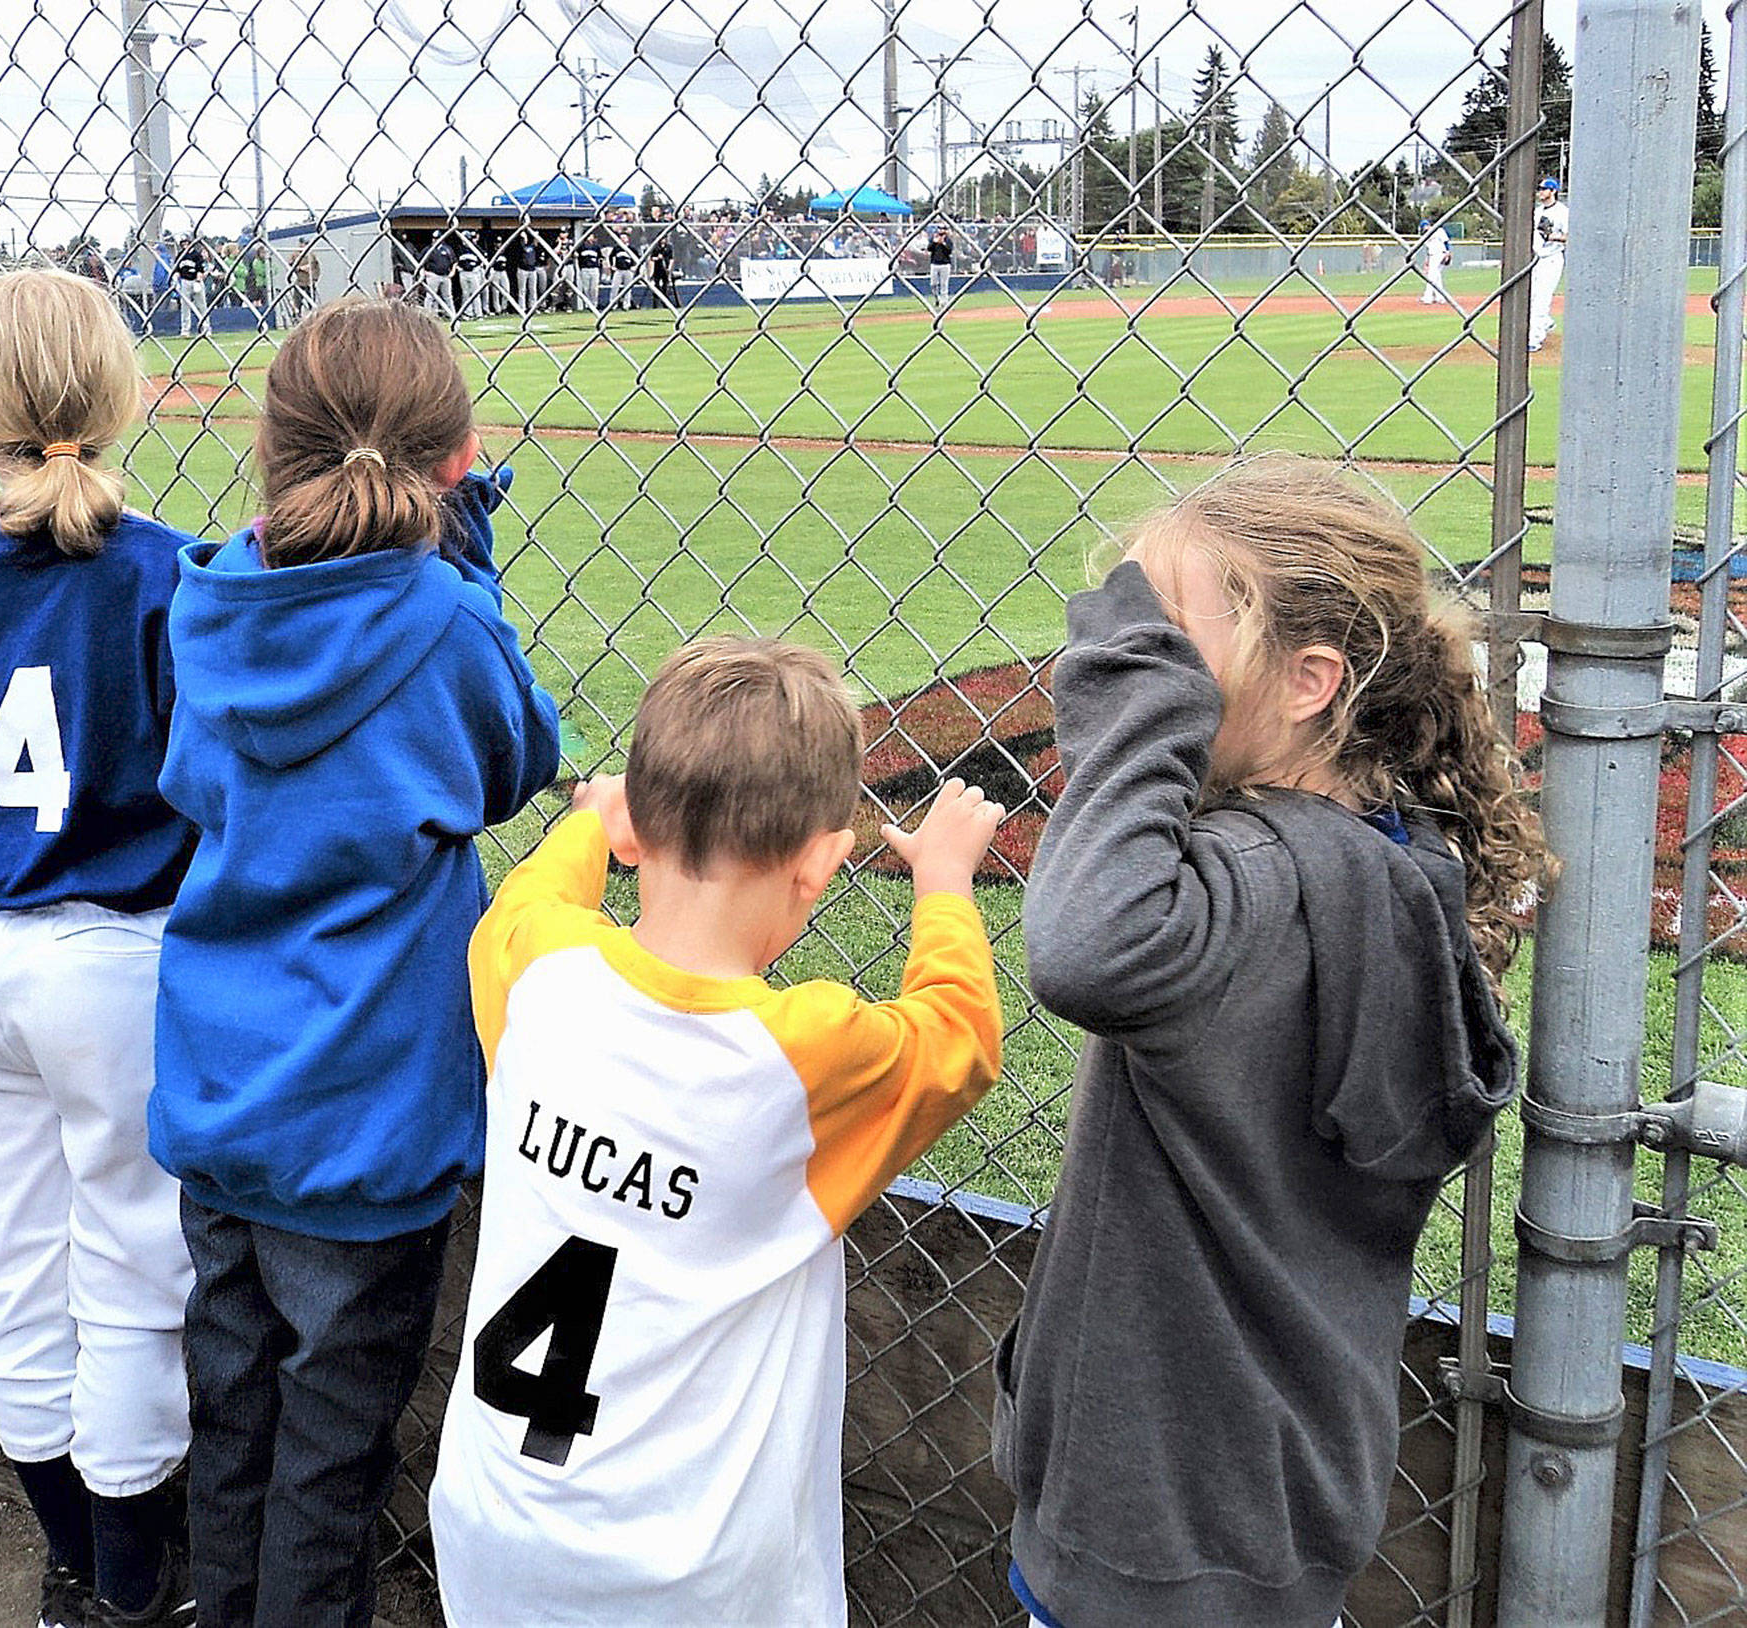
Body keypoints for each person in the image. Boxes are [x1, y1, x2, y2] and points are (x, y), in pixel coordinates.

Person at [994, 453, 1549, 1628]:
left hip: (1146, 1528)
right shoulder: (1386, 864)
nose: (1133, 663)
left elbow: (1081, 946)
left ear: (1307, 680)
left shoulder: (1244, 890)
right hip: (1270, 1494)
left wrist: (1124, 690)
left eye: (1165, 646)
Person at [428, 639, 1004, 1626]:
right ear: (823, 858)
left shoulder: (534, 967)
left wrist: (585, 831)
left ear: (640, 830)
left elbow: (533, 896)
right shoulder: (806, 1053)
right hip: (687, 1570)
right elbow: (958, 1037)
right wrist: (944, 883)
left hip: (492, 1517)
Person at [148, 296, 563, 1628]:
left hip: (220, 1094)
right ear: (453, 462)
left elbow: (192, 780)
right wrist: (469, 570)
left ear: (274, 452)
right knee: (328, 1465)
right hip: (364, 1125)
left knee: (233, 1427)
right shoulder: (440, 623)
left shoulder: (205, 602)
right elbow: (517, 762)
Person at [0, 267, 200, 1628]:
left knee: (16, 1272)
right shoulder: (168, 564)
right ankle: (139, 1590)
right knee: (134, 1276)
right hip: (119, 957)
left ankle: (71, 1571)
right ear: (119, 395)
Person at [1529, 176, 1569, 351]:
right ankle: (1545, 322)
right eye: (1539, 189)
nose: (1540, 192)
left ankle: (1534, 339)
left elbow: (1571, 237)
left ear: (1553, 191)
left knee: (1541, 300)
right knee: (1531, 298)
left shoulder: (1562, 212)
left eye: (1543, 189)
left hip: (1552, 260)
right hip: (1535, 259)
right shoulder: (1537, 212)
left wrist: (1552, 236)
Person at [1417, 217, 1459, 311]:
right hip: (1432, 255)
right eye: (1423, 226)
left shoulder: (1439, 230)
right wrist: (1427, 260)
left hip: (1440, 253)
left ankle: (1428, 297)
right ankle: (1440, 297)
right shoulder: (1425, 236)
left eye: (1426, 225)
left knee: (1431, 275)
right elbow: (1429, 249)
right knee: (1436, 275)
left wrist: (1448, 252)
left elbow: (1446, 242)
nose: (1425, 228)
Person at [172, 235, 211, 336]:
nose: (185, 246)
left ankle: (206, 328)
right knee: (185, 307)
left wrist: (198, 281)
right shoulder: (180, 255)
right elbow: (177, 270)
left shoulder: (196, 255)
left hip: (195, 280)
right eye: (183, 244)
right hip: (185, 281)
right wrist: (176, 279)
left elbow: (200, 269)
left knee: (201, 306)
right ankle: (185, 330)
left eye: (187, 243)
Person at [647, 225, 677, 309]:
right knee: (656, 284)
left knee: (665, 285)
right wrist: (657, 258)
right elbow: (652, 258)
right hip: (658, 268)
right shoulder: (656, 247)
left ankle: (665, 303)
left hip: (665, 269)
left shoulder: (669, 247)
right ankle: (656, 303)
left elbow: (671, 259)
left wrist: (669, 269)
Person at [573, 231, 603, 315]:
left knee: (594, 288)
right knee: (586, 288)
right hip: (584, 268)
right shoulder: (581, 246)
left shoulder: (596, 247)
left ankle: (594, 304)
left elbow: (600, 257)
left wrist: (600, 265)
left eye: (591, 236)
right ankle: (587, 304)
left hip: (594, 268)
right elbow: (575, 254)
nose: (590, 238)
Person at [927, 221, 955, 310]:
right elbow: (929, 248)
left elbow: (949, 251)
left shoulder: (948, 240)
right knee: (933, 284)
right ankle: (937, 298)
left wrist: (943, 243)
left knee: (944, 284)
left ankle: (944, 302)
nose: (941, 231)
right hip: (934, 263)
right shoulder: (934, 238)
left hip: (945, 264)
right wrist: (935, 242)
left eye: (943, 229)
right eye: (940, 228)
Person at [607, 234, 639, 311]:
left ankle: (626, 305)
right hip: (619, 270)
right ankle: (613, 304)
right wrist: (612, 266)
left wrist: (635, 267)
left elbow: (638, 259)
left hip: (628, 270)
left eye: (624, 238)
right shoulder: (617, 248)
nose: (622, 239)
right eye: (621, 238)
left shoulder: (632, 248)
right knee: (615, 287)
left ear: (628, 239)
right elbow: (611, 256)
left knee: (627, 288)